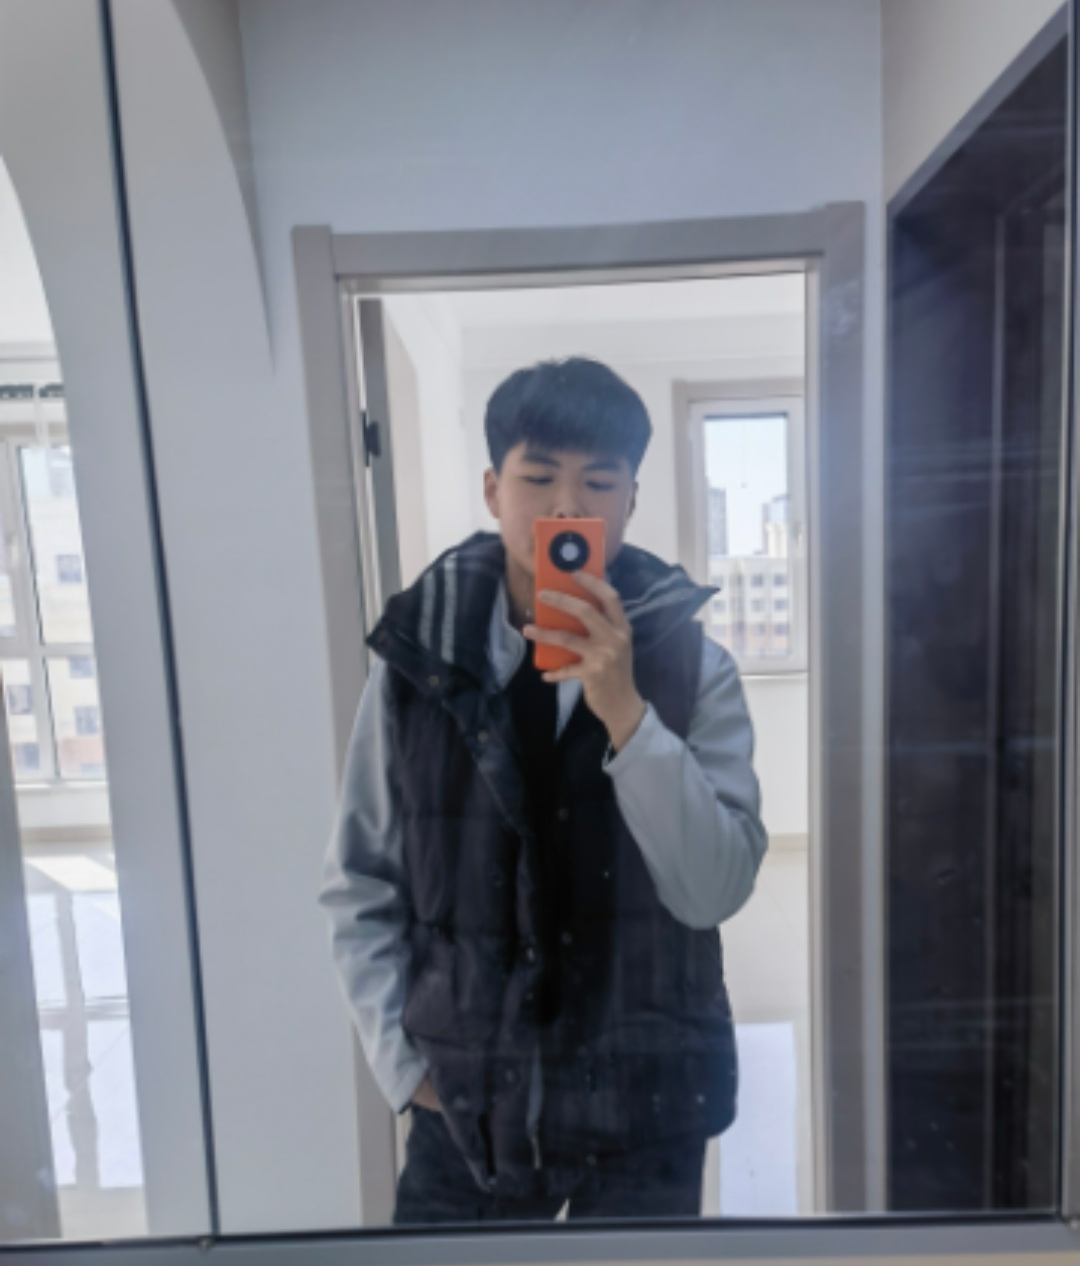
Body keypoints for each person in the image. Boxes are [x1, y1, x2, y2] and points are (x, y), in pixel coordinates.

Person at [320, 357, 767, 1224]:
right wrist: (406, 1070)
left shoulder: (695, 668)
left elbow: (713, 889)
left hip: (649, 1103)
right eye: (537, 478)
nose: (567, 507)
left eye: (598, 481)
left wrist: (627, 712)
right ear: (493, 491)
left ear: (630, 500)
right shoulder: (415, 666)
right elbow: (360, 882)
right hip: (467, 1103)